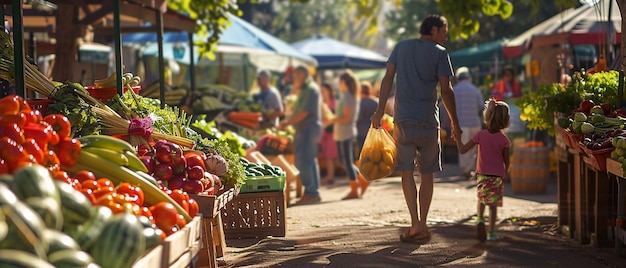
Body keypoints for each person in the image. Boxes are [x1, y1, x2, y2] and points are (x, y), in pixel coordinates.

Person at [370, 14, 462, 243]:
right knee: (427, 173)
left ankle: (415, 224)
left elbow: (387, 78)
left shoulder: (401, 47)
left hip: (404, 121)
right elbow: (446, 90)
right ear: (432, 30)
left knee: (406, 171)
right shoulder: (440, 53)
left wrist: (380, 111)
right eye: (443, 31)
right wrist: (455, 124)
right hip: (429, 122)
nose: (445, 36)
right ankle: (423, 223)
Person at [456, 98, 511, 242]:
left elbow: (462, 150)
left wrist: (457, 138)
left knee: (481, 199)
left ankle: (480, 218)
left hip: (482, 174)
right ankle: (492, 232)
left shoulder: (480, 135)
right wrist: (507, 171)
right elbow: (507, 161)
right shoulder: (504, 140)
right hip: (497, 175)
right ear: (505, 120)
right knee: (493, 205)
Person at [278, 65, 323, 204]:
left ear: (303, 75)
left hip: (307, 129)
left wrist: (286, 123)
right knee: (310, 160)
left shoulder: (310, 89)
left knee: (303, 161)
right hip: (307, 129)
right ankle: (313, 191)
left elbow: (304, 113)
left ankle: (311, 192)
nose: (294, 79)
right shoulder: (307, 88)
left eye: (296, 76)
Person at [330, 71, 369, 199]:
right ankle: (361, 181)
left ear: (344, 82)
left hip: (346, 132)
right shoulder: (347, 96)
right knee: (344, 161)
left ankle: (355, 188)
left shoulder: (349, 97)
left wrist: (331, 119)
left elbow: (346, 118)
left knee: (346, 161)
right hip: (342, 132)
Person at [453, 66, 484, 179]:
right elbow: (481, 105)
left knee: (463, 146)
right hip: (475, 123)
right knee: (473, 147)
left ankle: (465, 169)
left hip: (461, 124)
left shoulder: (454, 90)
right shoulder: (474, 89)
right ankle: (471, 168)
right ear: (468, 77)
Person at [319, 82, 339, 185]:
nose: (322, 93)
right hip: (325, 133)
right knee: (328, 156)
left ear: (329, 91)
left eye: (323, 91)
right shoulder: (322, 104)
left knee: (331, 157)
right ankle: (330, 176)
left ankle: (330, 177)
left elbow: (338, 118)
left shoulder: (335, 103)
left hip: (333, 133)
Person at [356, 81, 379, 158]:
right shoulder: (376, 101)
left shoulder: (360, 103)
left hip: (361, 131)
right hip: (374, 131)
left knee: (362, 154)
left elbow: (358, 117)